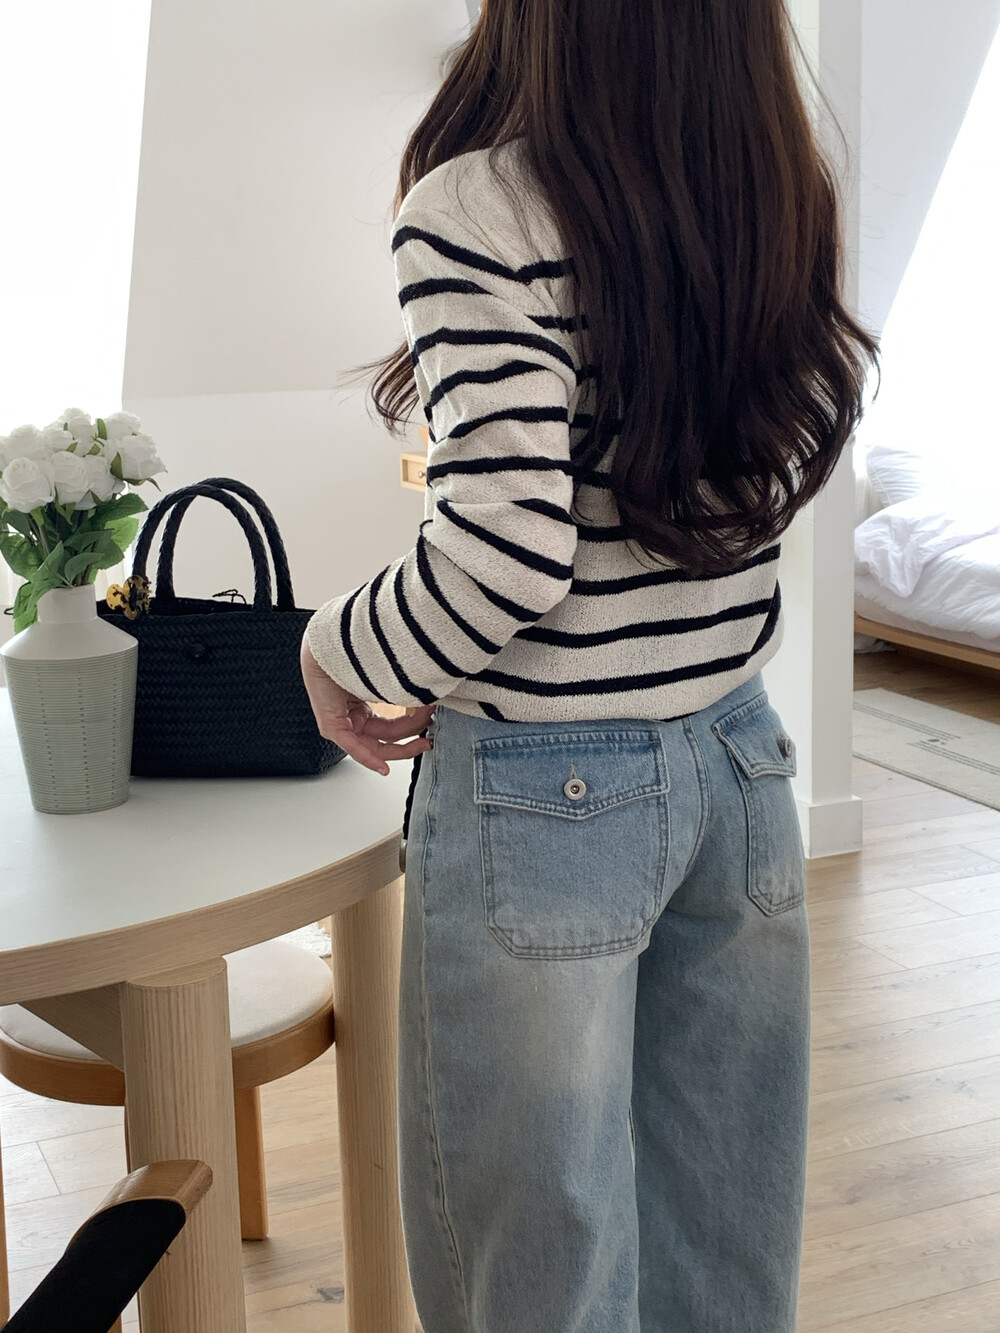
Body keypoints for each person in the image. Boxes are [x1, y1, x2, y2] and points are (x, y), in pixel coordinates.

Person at [300, 1, 880, 1328]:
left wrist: (333, 642)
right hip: (739, 759)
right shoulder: (775, 188)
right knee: (722, 1248)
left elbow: (508, 554)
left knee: (535, 1274)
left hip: (542, 794)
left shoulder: (476, 206)